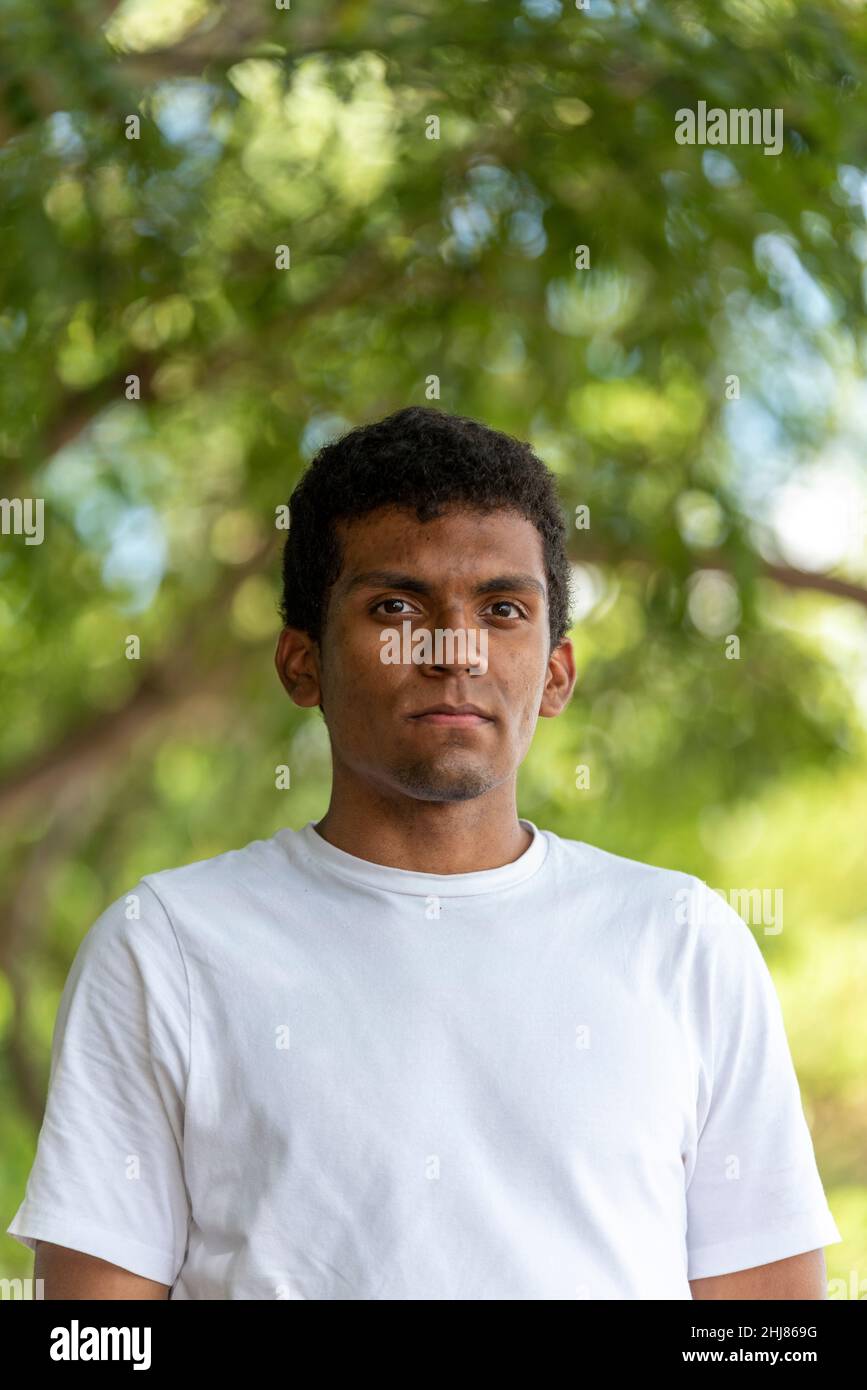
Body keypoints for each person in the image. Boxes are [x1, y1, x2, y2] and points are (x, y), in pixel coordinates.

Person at [7, 406, 841, 1299]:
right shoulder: (164, 947)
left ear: (555, 673)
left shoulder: (683, 942)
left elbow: (769, 1327)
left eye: (502, 609)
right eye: (395, 606)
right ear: (302, 664)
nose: (453, 651)